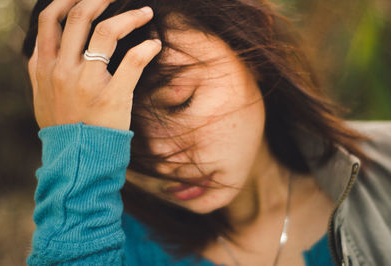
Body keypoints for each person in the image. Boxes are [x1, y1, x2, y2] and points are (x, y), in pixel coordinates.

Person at [22, 0, 391, 265]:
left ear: (252, 51)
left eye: (177, 102)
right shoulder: (90, 236)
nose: (162, 156)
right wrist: (78, 152)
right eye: (118, 133)